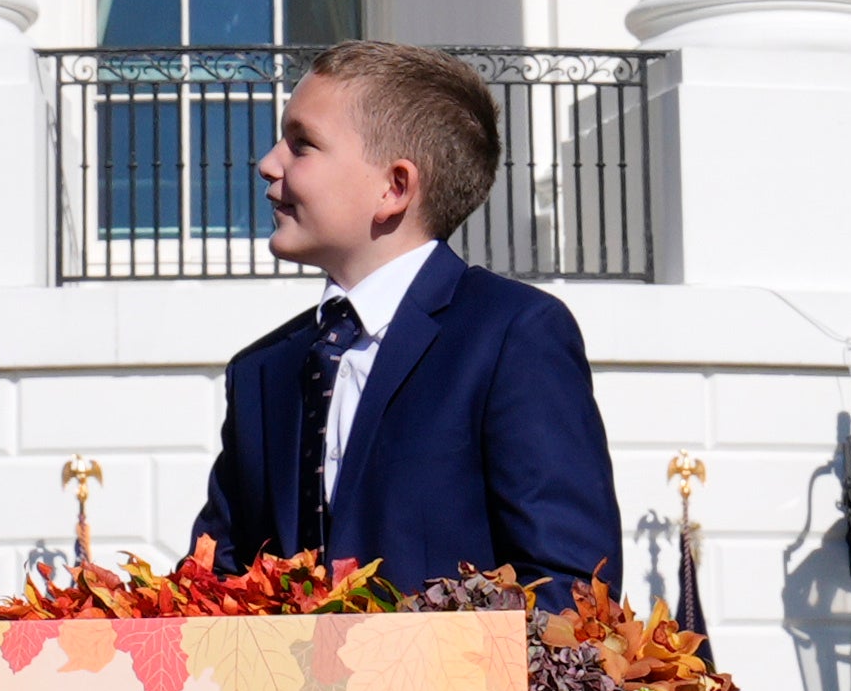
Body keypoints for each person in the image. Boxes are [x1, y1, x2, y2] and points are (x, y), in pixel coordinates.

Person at [189, 42, 622, 596]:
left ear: (394, 187)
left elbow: (570, 587)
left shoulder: (511, 334)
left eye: (302, 145)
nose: (268, 163)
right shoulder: (262, 371)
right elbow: (215, 585)